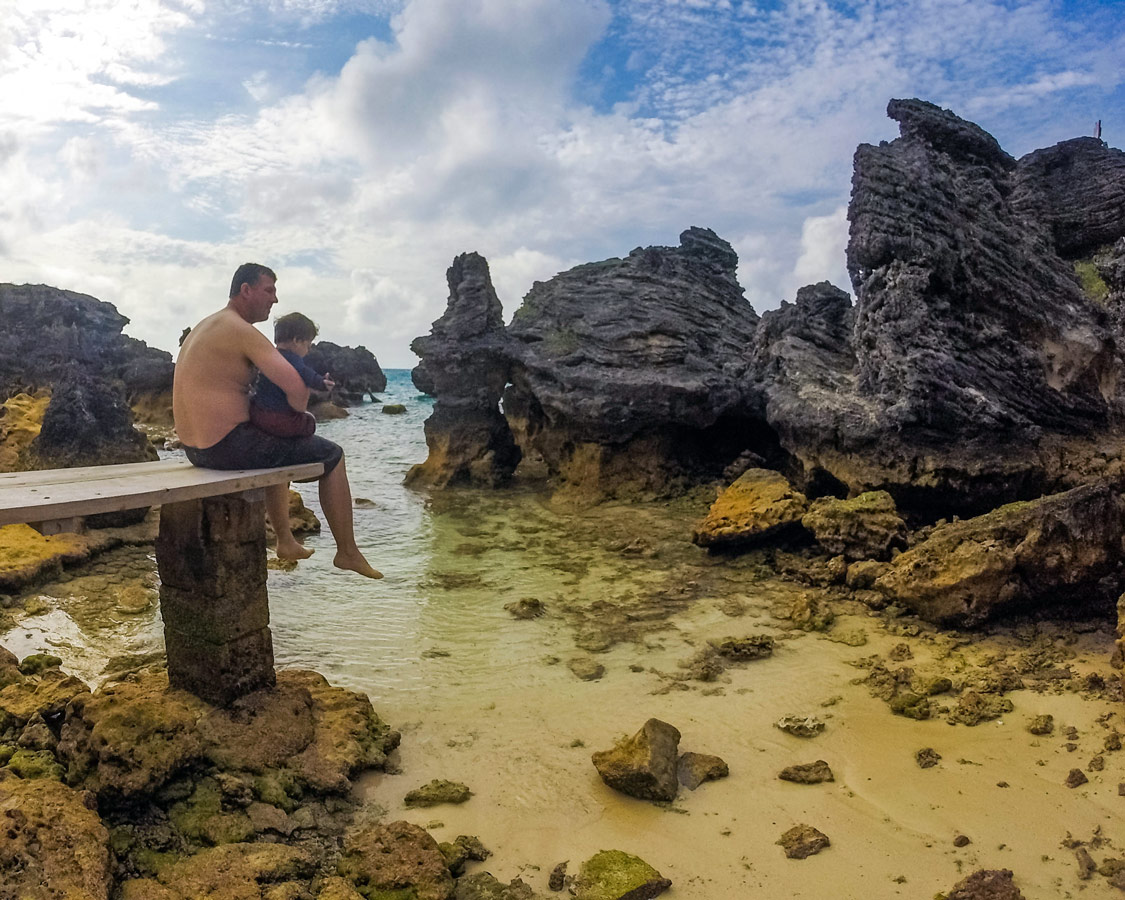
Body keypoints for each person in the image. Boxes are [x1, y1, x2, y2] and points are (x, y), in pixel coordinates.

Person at [173, 262, 382, 578]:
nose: (275, 300)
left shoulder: (208, 325)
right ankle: (347, 552)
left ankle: (286, 540)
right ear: (246, 290)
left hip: (195, 448)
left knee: (276, 445)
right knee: (333, 455)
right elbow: (295, 388)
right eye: (269, 290)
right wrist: (301, 413)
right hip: (227, 447)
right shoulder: (243, 331)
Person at [250, 312, 333, 439]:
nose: (309, 349)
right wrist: (322, 383)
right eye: (307, 344)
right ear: (296, 340)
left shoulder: (269, 356)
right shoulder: (291, 358)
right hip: (279, 419)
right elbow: (304, 372)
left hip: (259, 414)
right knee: (309, 420)